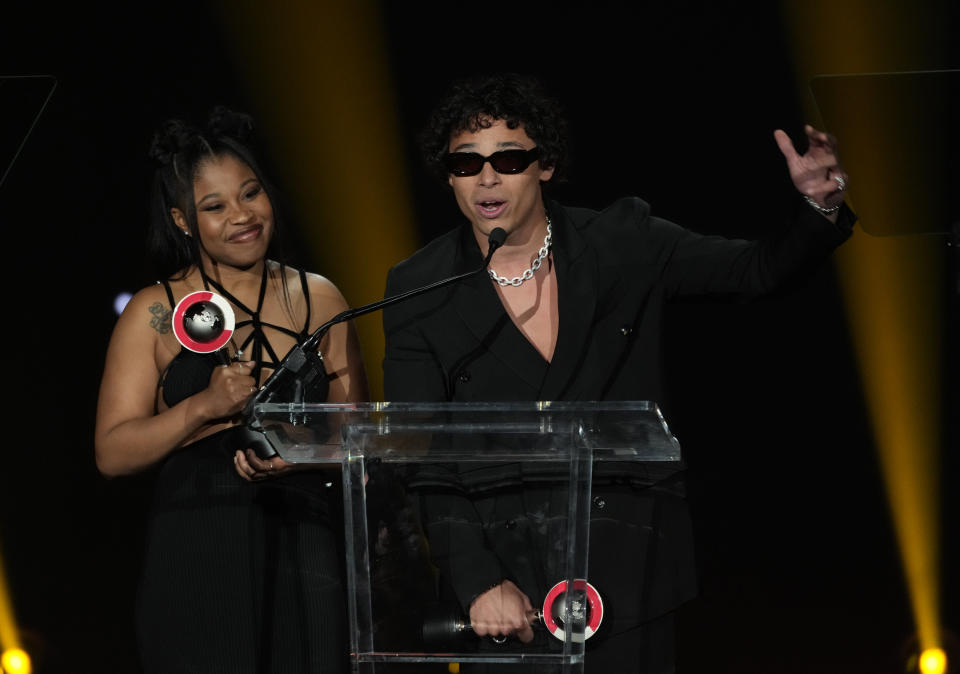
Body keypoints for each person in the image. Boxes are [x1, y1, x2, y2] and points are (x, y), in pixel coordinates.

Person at [382, 73, 855, 672]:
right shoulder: (419, 287)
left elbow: (754, 271)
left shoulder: (621, 242)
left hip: (628, 571)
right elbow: (420, 455)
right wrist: (477, 581)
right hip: (508, 593)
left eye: (507, 157)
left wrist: (820, 205)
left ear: (544, 164)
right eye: (465, 163)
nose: (487, 179)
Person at [95, 107, 368, 673]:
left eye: (251, 194)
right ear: (182, 220)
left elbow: (357, 433)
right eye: (215, 207)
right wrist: (203, 407)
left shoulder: (321, 297)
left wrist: (302, 450)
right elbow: (113, 451)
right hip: (198, 544)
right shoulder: (153, 312)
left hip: (306, 542)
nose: (241, 216)